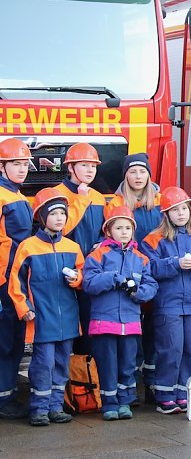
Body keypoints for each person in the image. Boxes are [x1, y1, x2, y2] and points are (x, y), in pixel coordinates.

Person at [7, 188, 84, 427]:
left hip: (68, 318)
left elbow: (83, 275)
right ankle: (39, 409)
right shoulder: (28, 247)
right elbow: (16, 282)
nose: (60, 218)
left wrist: (77, 279)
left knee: (62, 364)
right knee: (43, 364)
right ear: (42, 217)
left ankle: (55, 407)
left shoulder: (72, 247)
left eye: (63, 213)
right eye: (54, 214)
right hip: (42, 318)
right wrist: (24, 307)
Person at [140, 187, 191, 413]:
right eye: (175, 210)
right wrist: (175, 263)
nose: (181, 213)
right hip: (168, 304)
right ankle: (165, 394)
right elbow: (150, 267)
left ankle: (183, 392)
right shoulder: (153, 240)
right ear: (166, 214)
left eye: (184, 208)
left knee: (190, 350)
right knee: (171, 349)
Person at [83, 206, 158, 421]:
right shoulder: (97, 255)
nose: (124, 232)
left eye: (128, 227)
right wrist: (112, 278)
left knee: (127, 365)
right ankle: (109, 404)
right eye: (119, 227)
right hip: (103, 323)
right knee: (107, 366)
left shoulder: (141, 259)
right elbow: (89, 284)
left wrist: (137, 292)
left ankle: (125, 402)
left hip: (131, 323)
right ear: (108, 230)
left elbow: (151, 286)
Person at [104, 152, 163, 402]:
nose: (138, 176)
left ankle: (151, 383)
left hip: (155, 271)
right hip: (127, 272)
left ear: (149, 174)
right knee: (131, 334)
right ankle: (131, 385)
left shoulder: (161, 200)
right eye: (133, 171)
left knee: (154, 331)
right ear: (125, 175)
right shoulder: (115, 202)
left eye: (142, 171)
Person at [54, 142, 106, 353]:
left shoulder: (99, 197)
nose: (90, 170)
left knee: (89, 324)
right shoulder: (56, 194)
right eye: (84, 165)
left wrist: (102, 242)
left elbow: (106, 229)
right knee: (65, 326)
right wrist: (81, 201)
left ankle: (84, 377)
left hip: (90, 269)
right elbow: (61, 229)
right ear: (70, 167)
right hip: (63, 269)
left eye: (93, 166)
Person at [0, 139, 34, 420]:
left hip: (14, 280)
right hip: (3, 281)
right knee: (5, 341)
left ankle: (7, 394)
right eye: (16, 164)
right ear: (2, 166)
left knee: (12, 340)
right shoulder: (3, 196)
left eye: (25, 164)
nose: (22, 169)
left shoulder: (19, 197)